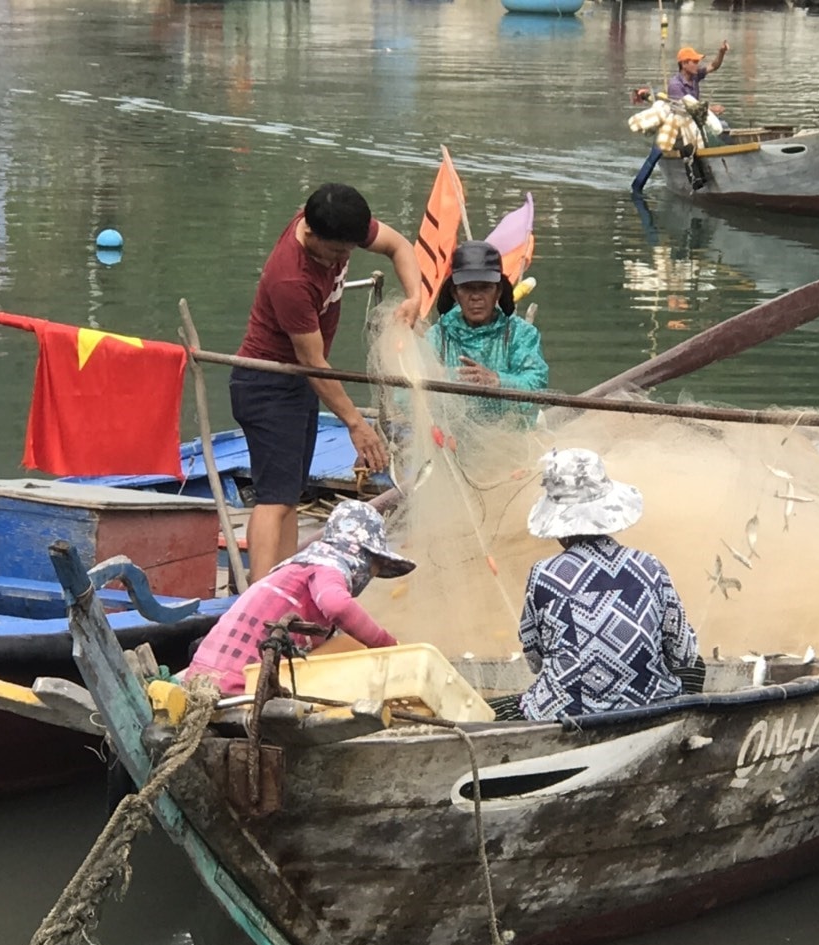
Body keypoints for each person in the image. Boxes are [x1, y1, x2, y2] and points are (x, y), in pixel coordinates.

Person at [232, 183, 423, 580]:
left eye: (350, 250)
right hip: (267, 382)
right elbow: (314, 361)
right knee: (273, 499)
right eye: (336, 251)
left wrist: (414, 296)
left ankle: (279, 583)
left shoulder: (336, 222)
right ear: (311, 234)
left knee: (289, 494)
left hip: (300, 382)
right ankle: (256, 597)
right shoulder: (291, 279)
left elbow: (400, 246)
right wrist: (357, 425)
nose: (343, 258)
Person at [499, 448, 701, 721]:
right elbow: (683, 655)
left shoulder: (543, 575)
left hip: (567, 713)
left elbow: (534, 659)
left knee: (506, 709)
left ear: (558, 525)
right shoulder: (650, 567)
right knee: (696, 668)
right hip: (649, 706)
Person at [182, 500, 415, 694]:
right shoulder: (328, 567)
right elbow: (337, 606)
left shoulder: (296, 569)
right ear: (363, 559)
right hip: (240, 686)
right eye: (374, 569)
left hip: (203, 677)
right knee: (351, 643)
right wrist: (388, 645)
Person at [427, 240, 548, 425]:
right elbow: (403, 394)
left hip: (510, 436)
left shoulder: (521, 334)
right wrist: (446, 378)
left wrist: (498, 381)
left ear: (498, 291)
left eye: (485, 287)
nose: (476, 296)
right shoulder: (437, 337)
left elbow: (537, 386)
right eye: (467, 288)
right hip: (448, 440)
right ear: (454, 293)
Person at [667, 42, 730, 109]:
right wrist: (710, 109)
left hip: (695, 114)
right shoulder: (675, 84)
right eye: (695, 62)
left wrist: (721, 52)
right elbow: (683, 108)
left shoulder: (695, 76)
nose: (698, 65)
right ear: (684, 64)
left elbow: (713, 66)